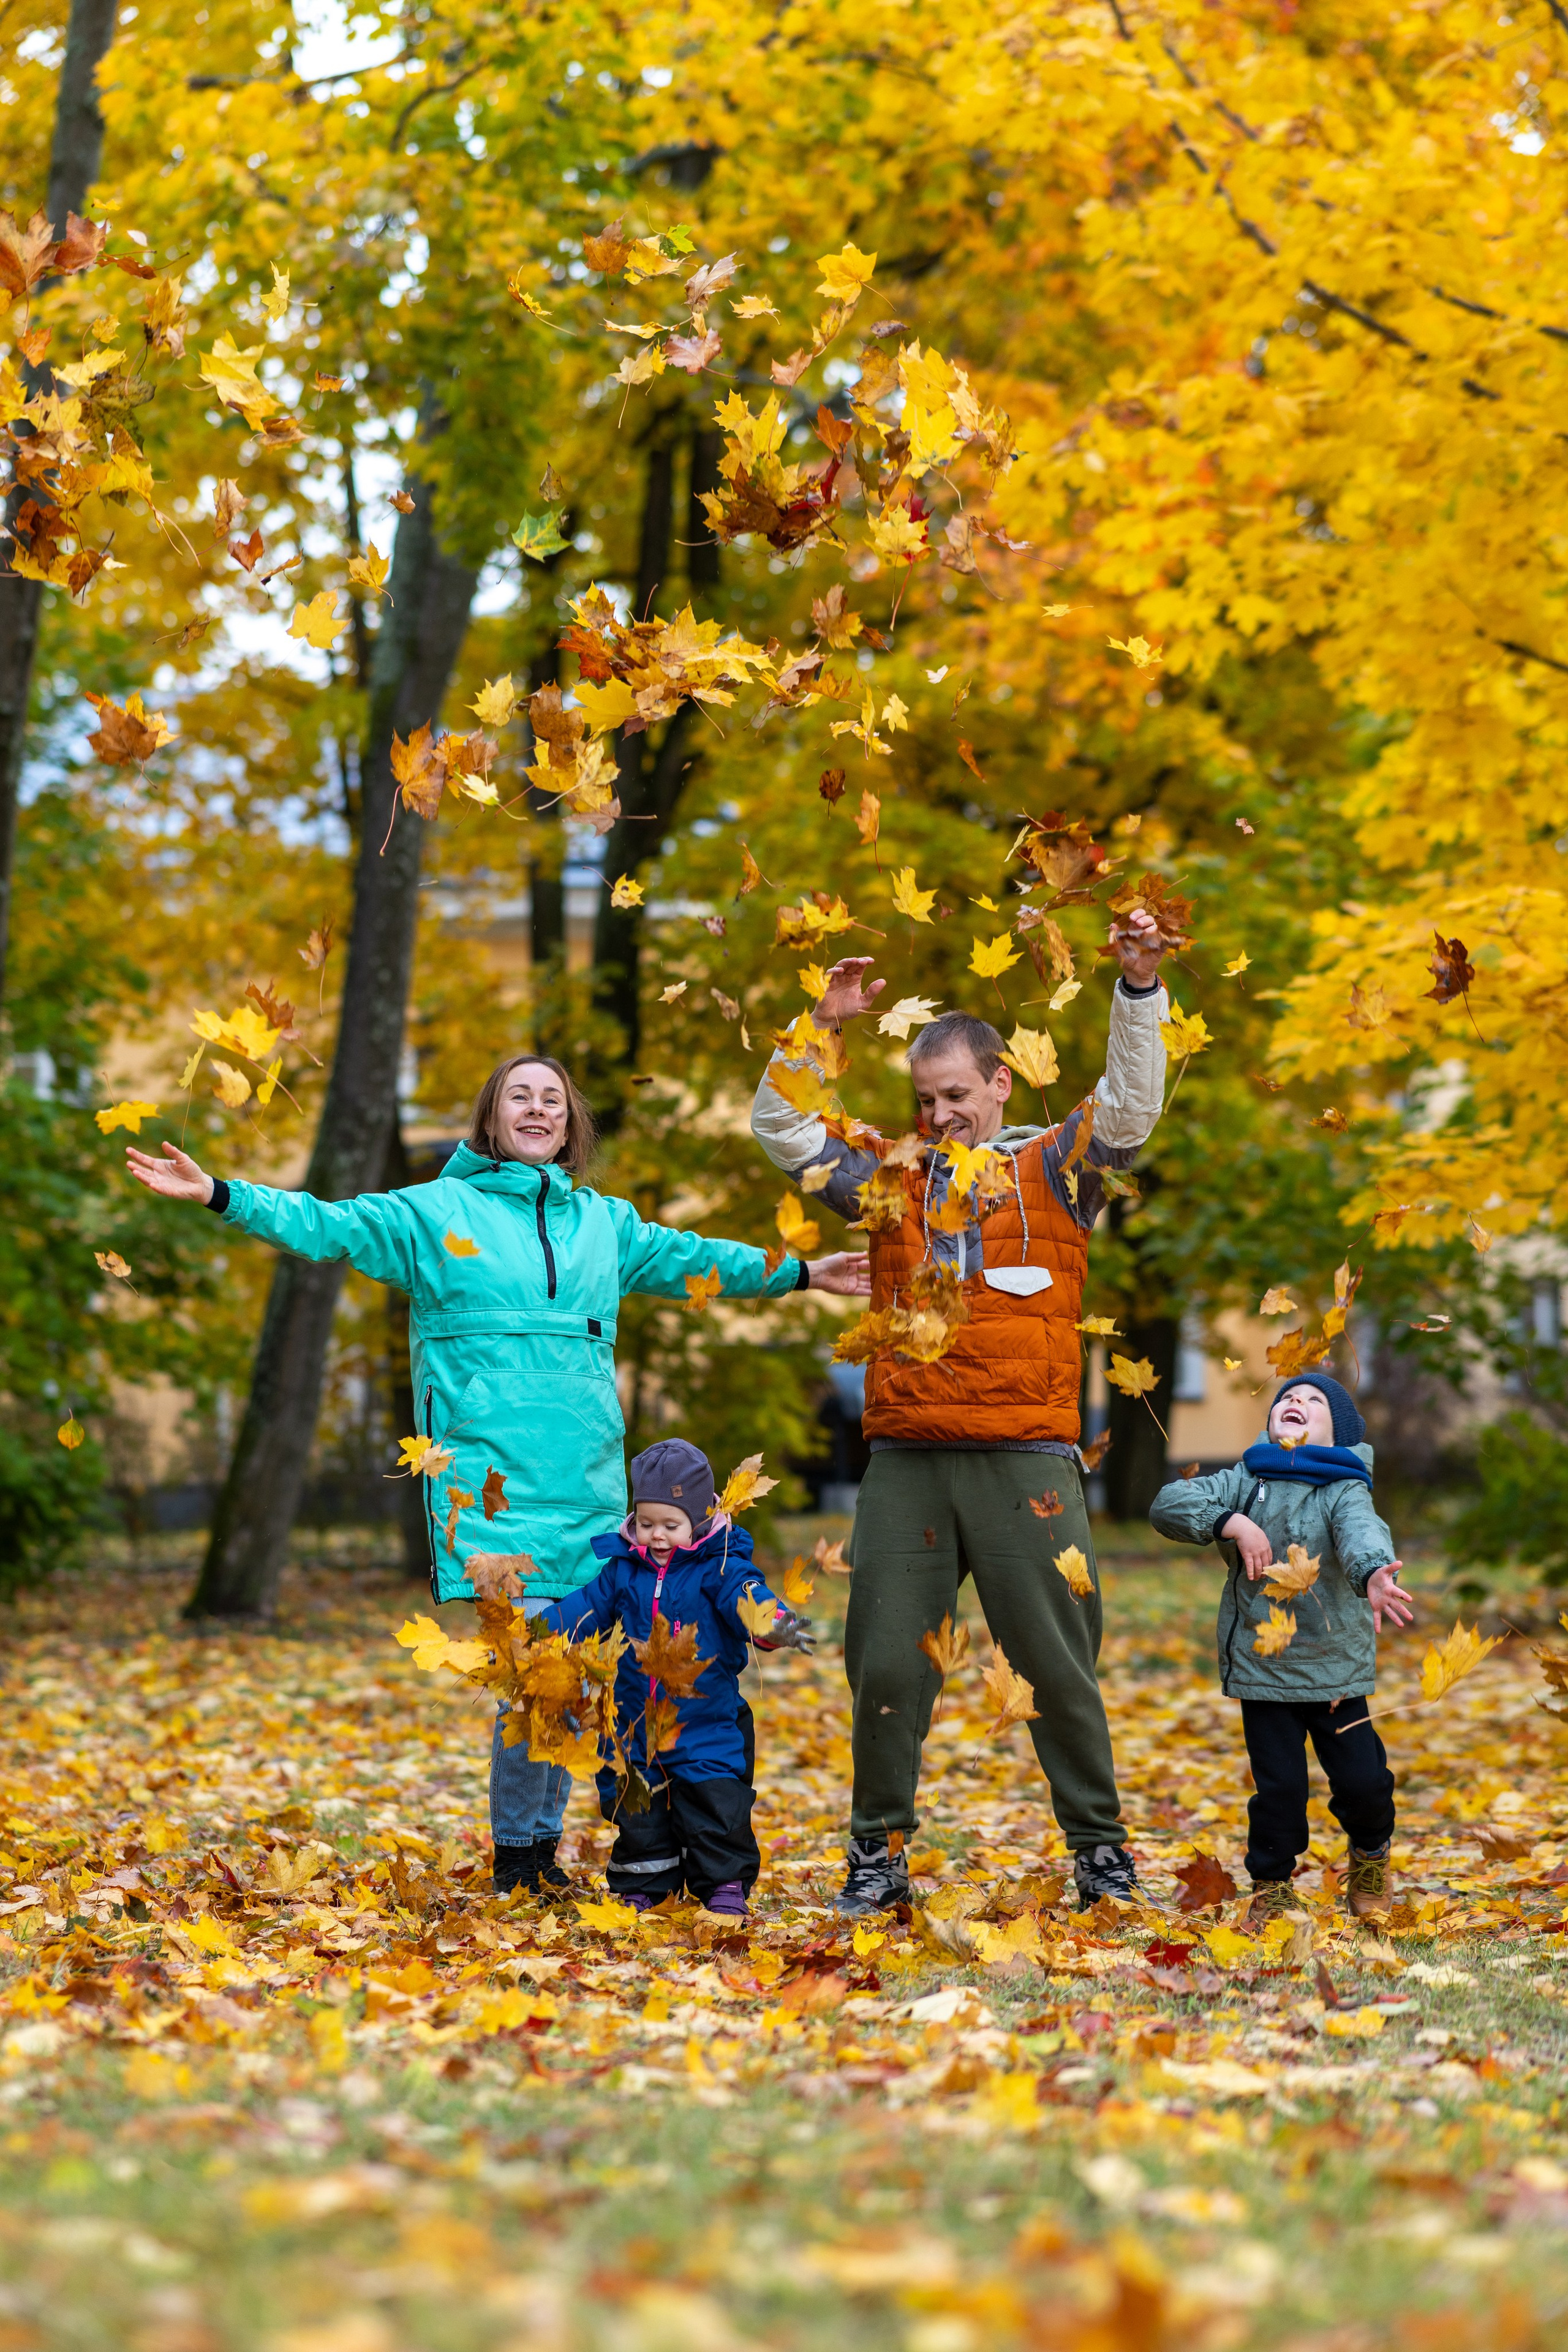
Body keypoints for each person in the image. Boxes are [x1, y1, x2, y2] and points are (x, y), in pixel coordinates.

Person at [126, 1055, 868, 1897]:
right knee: (535, 1675)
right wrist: (223, 1194)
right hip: (490, 1494)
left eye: (554, 1099)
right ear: (490, 1118)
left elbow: (693, 1260)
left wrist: (803, 1274)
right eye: (522, 1095)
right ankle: (522, 1861)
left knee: (585, 1679)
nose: (539, 1108)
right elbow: (324, 1224)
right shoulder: (433, 1213)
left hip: (588, 1489)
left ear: (571, 1124)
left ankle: (591, 1854)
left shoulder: (605, 1224)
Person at [750, 908, 1170, 1915]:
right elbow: (779, 1130)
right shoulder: (889, 1179)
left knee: (1058, 1667)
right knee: (887, 1663)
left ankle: (1101, 1857)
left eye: (955, 1095)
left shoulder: (1059, 1171)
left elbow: (1132, 1109)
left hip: (1028, 1460)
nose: (940, 1113)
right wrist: (822, 1023)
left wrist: (1140, 991)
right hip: (908, 1461)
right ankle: (877, 1859)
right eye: (924, 1098)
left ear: (999, 1085)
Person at [1148, 1373, 1414, 1923]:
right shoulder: (1246, 1479)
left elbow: (1362, 1532)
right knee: (1280, 1791)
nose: (1296, 1402)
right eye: (1287, 1397)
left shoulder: (1345, 1486)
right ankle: (1272, 1886)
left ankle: (1369, 1855)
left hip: (1335, 1670)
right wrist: (1232, 1521)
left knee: (1364, 1782)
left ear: (1335, 1434)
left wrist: (1372, 1574)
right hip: (1264, 1670)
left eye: (1314, 1401)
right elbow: (1169, 1505)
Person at [532, 1438, 812, 1917]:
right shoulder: (624, 1571)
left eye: (670, 1525)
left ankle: (723, 1886)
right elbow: (586, 1609)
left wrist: (774, 1623)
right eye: (645, 1524)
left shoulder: (721, 1567)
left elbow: (749, 1597)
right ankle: (645, 1884)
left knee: (714, 1807)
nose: (656, 1536)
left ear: (699, 1522)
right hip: (636, 1723)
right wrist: (538, 1633)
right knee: (638, 1810)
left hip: (706, 1720)